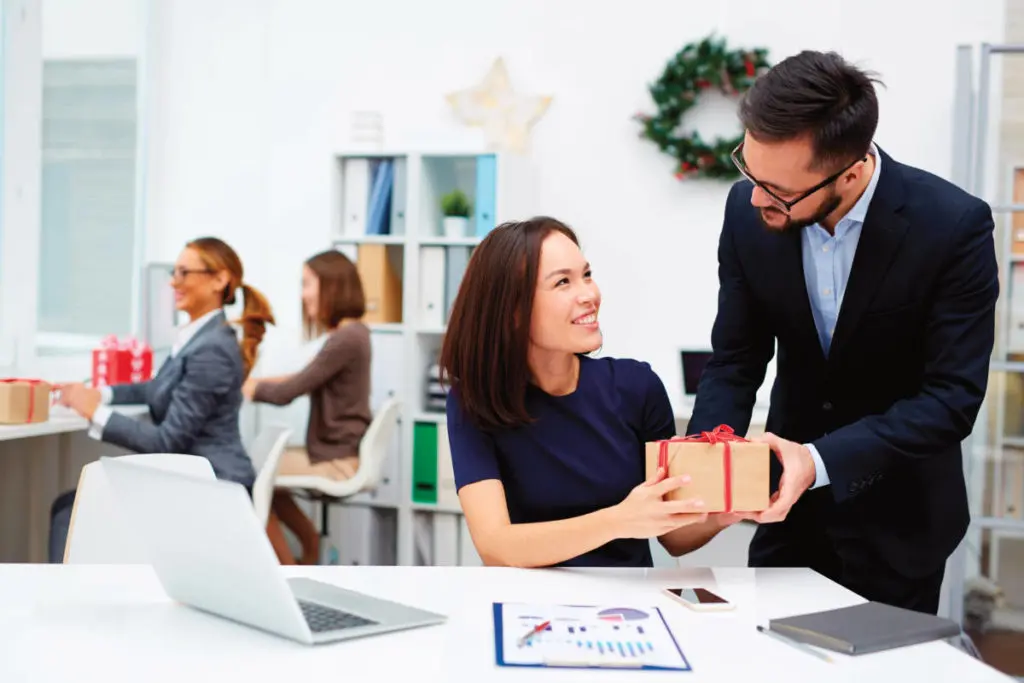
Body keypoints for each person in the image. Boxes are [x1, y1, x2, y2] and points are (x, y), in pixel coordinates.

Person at [686, 50, 999, 613]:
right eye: (749, 171)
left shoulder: (953, 227)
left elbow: (951, 399)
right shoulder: (746, 212)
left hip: (901, 523)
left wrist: (820, 460)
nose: (758, 197)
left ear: (850, 171)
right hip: (785, 519)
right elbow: (736, 357)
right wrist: (710, 460)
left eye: (779, 190)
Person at [440, 217, 741, 568]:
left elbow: (672, 536)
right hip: (528, 604)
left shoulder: (636, 386)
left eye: (586, 274)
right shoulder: (474, 403)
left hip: (628, 604)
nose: (589, 295)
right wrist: (618, 520)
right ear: (513, 310)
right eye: (563, 282)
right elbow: (496, 546)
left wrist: (722, 515)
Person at [50, 237, 275, 561]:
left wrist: (95, 412)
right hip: (198, 480)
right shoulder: (199, 337)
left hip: (214, 488)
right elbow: (157, 388)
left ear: (219, 280)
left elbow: (168, 442)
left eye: (184, 273)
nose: (174, 282)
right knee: (67, 506)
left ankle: (68, 608)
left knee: (69, 513)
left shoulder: (211, 349)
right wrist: (103, 393)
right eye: (174, 272)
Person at [243, 250, 372, 565]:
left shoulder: (345, 340)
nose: (303, 295)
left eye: (307, 284)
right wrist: (252, 382)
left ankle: (289, 571)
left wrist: (248, 387)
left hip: (336, 460)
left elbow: (289, 391)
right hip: (337, 450)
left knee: (248, 476)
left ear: (331, 286)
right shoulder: (354, 333)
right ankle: (309, 545)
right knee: (264, 471)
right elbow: (304, 377)